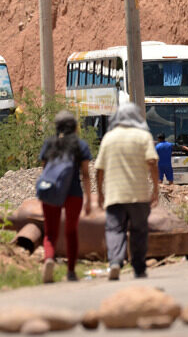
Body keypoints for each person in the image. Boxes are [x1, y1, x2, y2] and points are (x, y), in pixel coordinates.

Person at [95, 103, 159, 280]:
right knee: (139, 230)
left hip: (115, 195)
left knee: (115, 229)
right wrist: (156, 188)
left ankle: (115, 262)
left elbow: (99, 169)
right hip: (139, 195)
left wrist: (100, 192)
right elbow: (152, 162)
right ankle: (139, 268)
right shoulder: (143, 136)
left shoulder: (108, 138)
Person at [38, 111, 92, 283]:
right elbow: (85, 174)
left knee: (50, 232)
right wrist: (90, 199)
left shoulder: (49, 143)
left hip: (51, 189)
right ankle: (70, 272)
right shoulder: (80, 145)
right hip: (74, 193)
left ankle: (48, 259)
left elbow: (44, 171)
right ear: (75, 127)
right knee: (71, 232)